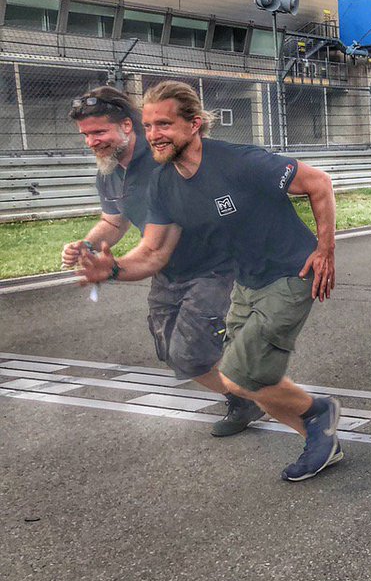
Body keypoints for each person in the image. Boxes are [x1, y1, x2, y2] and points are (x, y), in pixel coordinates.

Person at [78, 80, 344, 482]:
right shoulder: (165, 184)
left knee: (241, 374)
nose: (154, 135)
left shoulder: (239, 162)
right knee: (246, 378)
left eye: (164, 124)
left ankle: (318, 412)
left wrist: (325, 250)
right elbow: (154, 252)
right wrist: (111, 270)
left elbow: (318, 183)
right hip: (249, 281)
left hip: (293, 271)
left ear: (195, 125)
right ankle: (319, 437)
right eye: (148, 126)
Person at [63, 87, 253, 437]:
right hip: (169, 272)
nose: (91, 142)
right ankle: (242, 390)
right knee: (171, 351)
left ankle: (262, 394)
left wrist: (113, 267)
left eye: (99, 132)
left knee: (189, 352)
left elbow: (154, 247)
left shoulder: (161, 162)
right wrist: (87, 246)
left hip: (213, 266)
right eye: (86, 135)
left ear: (125, 125)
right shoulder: (108, 172)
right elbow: (113, 222)